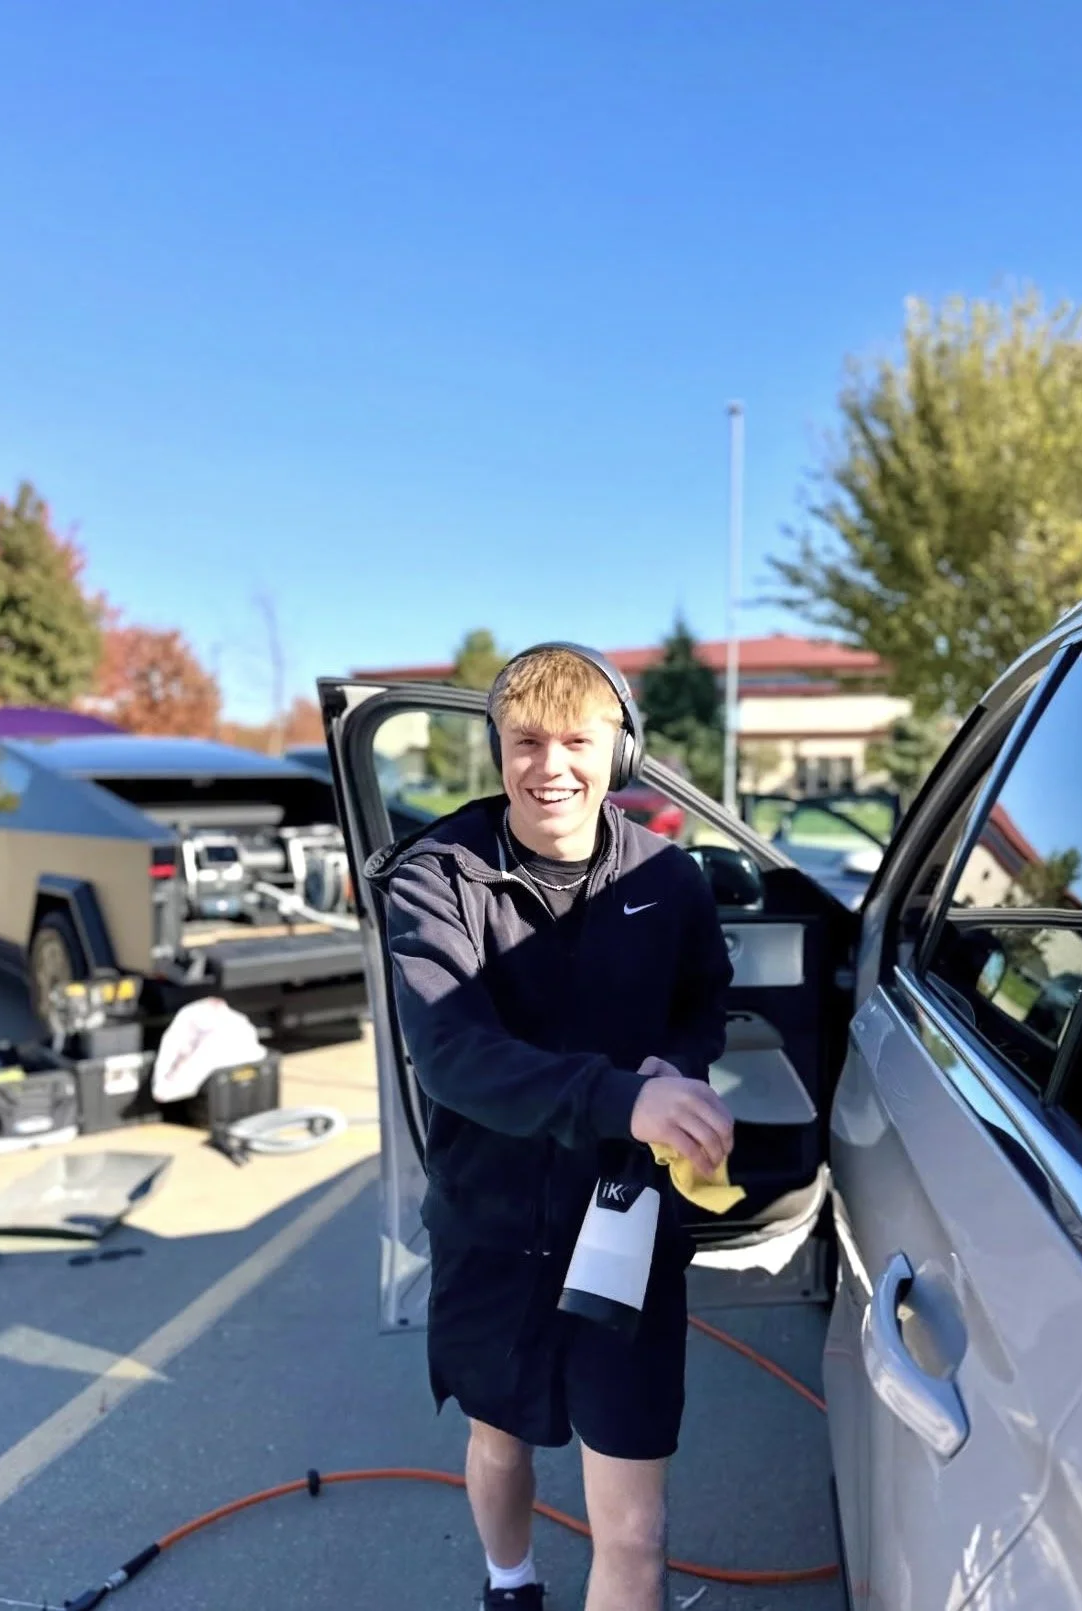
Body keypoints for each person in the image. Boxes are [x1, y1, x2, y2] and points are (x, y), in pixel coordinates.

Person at [365, 642, 736, 1611]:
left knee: (638, 1534)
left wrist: (680, 1066)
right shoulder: (434, 879)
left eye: (577, 739)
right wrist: (623, 1098)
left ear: (621, 750)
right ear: (496, 751)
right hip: (492, 1222)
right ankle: (510, 1579)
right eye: (525, 741)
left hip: (623, 1223)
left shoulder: (673, 884)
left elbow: (704, 1003)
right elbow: (451, 1056)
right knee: (500, 1439)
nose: (550, 765)